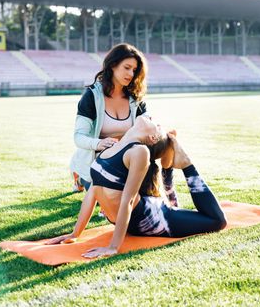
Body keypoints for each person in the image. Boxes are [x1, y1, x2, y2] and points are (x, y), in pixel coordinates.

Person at [47, 115, 226, 259]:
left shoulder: (140, 152)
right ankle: (169, 167)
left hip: (154, 219)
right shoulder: (109, 148)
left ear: (153, 137)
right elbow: (93, 192)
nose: (151, 117)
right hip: (133, 221)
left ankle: (186, 164)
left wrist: (113, 247)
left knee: (217, 221)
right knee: (177, 209)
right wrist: (74, 233)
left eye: (156, 124)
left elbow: (128, 200)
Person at [70, 43, 179, 207]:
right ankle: (79, 174)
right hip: (100, 158)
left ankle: (168, 186)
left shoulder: (134, 96)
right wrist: (99, 143)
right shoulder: (92, 96)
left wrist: (156, 134)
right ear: (113, 65)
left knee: (170, 139)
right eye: (127, 67)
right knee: (110, 199)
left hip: (129, 155)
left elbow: (147, 121)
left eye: (134, 70)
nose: (131, 74)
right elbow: (79, 137)